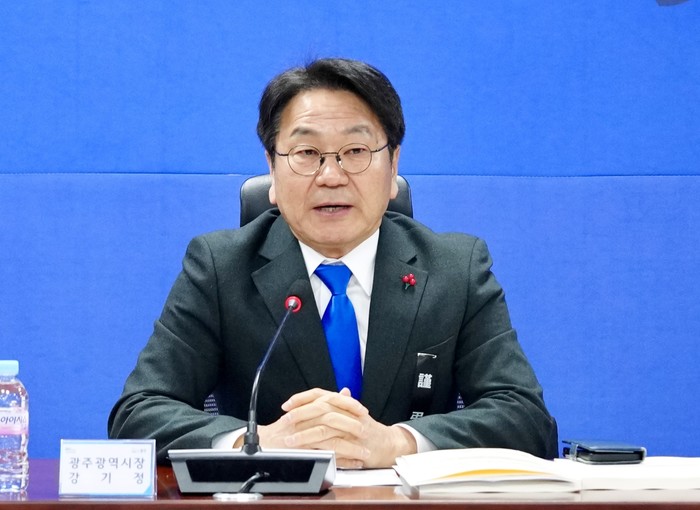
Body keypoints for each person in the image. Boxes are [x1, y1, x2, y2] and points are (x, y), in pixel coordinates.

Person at [108, 57, 558, 468]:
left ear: (393, 165)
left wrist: (397, 442)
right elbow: (137, 414)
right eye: (306, 154)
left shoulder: (455, 269)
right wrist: (258, 441)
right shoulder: (221, 268)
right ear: (272, 168)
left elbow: (526, 418)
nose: (330, 176)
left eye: (356, 152)